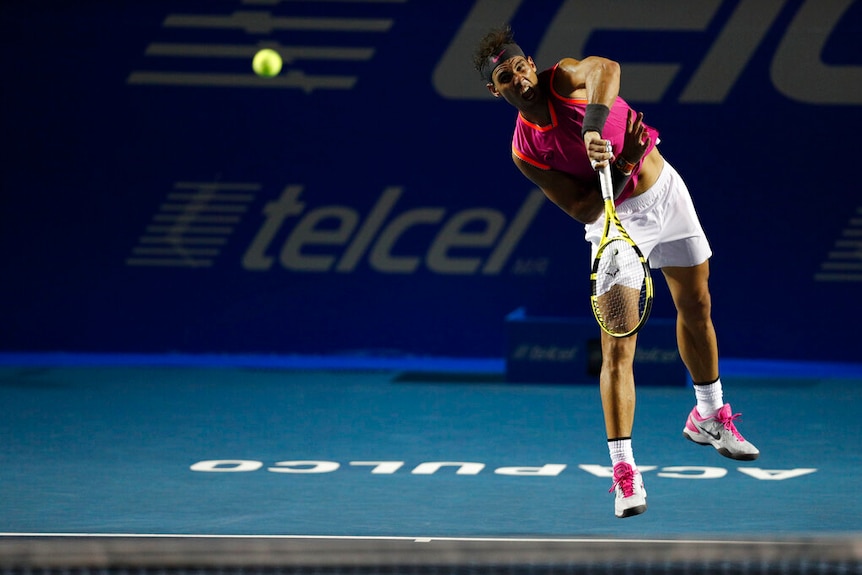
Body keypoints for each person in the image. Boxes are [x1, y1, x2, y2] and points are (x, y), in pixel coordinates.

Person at [473, 26, 759, 518]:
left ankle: (709, 415)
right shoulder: (526, 150)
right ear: (494, 89)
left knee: (696, 304)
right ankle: (624, 471)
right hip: (617, 222)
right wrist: (624, 162)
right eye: (506, 77)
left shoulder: (563, 77)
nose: (520, 79)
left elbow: (606, 69)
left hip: (667, 189)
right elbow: (584, 209)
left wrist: (593, 126)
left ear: (531, 64)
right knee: (618, 343)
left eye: (520, 67)